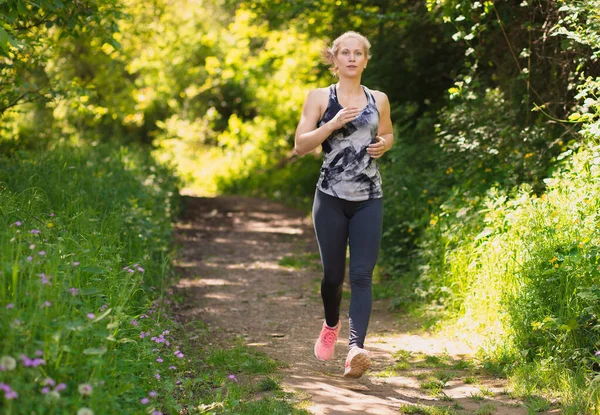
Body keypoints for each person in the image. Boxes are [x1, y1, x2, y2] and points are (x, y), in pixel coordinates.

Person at [294, 31, 394, 378]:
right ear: (333, 60)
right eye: (345, 53)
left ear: (366, 60)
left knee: (363, 274)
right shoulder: (320, 98)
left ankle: (355, 350)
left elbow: (388, 132)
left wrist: (385, 144)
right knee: (333, 276)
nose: (352, 58)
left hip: (369, 198)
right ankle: (331, 324)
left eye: (358, 53)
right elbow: (301, 145)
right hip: (331, 198)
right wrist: (334, 122)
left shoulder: (378, 98)